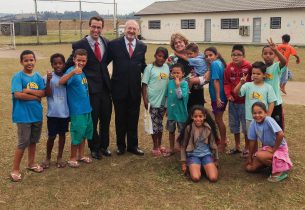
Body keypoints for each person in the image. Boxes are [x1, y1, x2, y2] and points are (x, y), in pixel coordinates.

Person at [65, 16, 112, 159]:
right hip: (89, 90)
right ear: (89, 26)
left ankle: (104, 146)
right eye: (94, 27)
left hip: (105, 88)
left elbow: (104, 62)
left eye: (99, 27)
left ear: (102, 28)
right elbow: (69, 63)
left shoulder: (106, 42)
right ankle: (94, 148)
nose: (96, 30)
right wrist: (56, 77)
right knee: (93, 119)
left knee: (106, 119)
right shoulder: (79, 44)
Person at [108, 20, 147, 156]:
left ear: (138, 31)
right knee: (120, 118)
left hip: (135, 90)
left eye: (134, 29)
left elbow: (142, 65)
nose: (131, 31)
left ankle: (133, 146)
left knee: (133, 118)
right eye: (129, 28)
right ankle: (120, 146)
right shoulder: (113, 44)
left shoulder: (142, 46)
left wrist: (154, 72)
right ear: (125, 30)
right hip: (118, 88)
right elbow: (104, 63)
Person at [10, 50, 45, 181]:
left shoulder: (38, 77)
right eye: (26, 60)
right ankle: (15, 169)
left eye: (31, 60)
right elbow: (18, 94)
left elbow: (42, 93)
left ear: (35, 61)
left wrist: (29, 91)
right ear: (21, 62)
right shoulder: (18, 77)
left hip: (36, 115)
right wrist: (35, 97)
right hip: (23, 116)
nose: (29, 62)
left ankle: (31, 163)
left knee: (33, 141)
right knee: (23, 142)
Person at [59, 49, 93, 168]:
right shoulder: (72, 71)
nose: (81, 63)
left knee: (84, 134)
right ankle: (72, 158)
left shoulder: (82, 72)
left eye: (83, 60)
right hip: (77, 111)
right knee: (77, 134)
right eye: (79, 60)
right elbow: (61, 82)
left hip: (86, 109)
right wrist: (73, 72)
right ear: (74, 59)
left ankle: (81, 155)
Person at [245, 102, 293, 182]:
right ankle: (271, 166)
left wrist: (274, 149)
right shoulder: (253, 123)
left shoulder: (268, 120)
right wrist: (249, 156)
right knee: (249, 168)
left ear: (265, 112)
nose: (257, 115)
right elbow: (252, 140)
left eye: (260, 112)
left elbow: (280, 134)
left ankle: (281, 170)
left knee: (259, 155)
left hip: (279, 149)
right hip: (268, 149)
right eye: (254, 113)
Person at [41, 53, 69, 169]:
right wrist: (48, 81)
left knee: (62, 135)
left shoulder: (67, 77)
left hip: (65, 113)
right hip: (53, 113)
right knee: (51, 136)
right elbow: (47, 94)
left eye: (60, 63)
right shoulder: (47, 77)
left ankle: (59, 157)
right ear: (52, 65)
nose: (58, 65)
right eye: (55, 63)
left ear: (64, 64)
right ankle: (48, 158)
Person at [224, 44, 252, 157]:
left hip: (245, 103)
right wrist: (228, 95)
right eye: (233, 55)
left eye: (239, 55)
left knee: (246, 127)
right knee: (234, 125)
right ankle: (237, 146)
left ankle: (247, 148)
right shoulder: (228, 67)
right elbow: (226, 83)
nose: (236, 57)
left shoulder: (249, 67)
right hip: (233, 102)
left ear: (243, 55)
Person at [142, 47, 170, 156]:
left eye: (163, 57)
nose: (161, 59)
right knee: (154, 125)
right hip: (152, 102)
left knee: (160, 124)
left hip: (163, 102)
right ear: (155, 55)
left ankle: (160, 144)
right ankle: (155, 146)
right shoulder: (149, 68)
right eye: (159, 56)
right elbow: (144, 85)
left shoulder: (167, 67)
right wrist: (145, 100)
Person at [180, 105, 219, 182]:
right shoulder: (189, 128)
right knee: (196, 178)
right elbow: (183, 146)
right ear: (192, 117)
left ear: (204, 117)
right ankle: (194, 166)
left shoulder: (208, 128)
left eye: (200, 116)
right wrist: (183, 162)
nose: (198, 119)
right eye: (195, 116)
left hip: (206, 155)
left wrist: (216, 159)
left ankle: (204, 166)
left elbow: (213, 144)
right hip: (193, 155)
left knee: (213, 178)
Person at [234, 61, 277, 131]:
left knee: (264, 138)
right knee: (251, 138)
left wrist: (268, 116)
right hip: (250, 118)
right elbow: (236, 92)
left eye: (258, 74)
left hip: (263, 118)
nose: (255, 75)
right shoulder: (247, 85)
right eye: (253, 73)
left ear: (264, 75)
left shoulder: (268, 87)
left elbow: (272, 102)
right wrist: (240, 83)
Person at [169, 33, 206, 110]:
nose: (178, 44)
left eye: (180, 42)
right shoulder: (172, 58)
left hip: (196, 92)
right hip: (180, 92)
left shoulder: (196, 55)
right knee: (183, 119)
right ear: (173, 46)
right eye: (175, 43)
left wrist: (199, 80)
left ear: (185, 42)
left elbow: (205, 72)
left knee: (197, 118)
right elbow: (170, 77)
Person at [204, 47, 227, 152]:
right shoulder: (217, 63)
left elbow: (216, 81)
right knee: (217, 118)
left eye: (210, 55)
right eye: (206, 56)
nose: (208, 58)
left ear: (216, 55)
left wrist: (218, 98)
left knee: (218, 119)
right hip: (218, 96)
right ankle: (222, 140)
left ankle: (223, 143)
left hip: (219, 97)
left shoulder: (215, 64)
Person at [262, 38, 287, 129]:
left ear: (275, 56)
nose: (268, 55)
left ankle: (280, 143)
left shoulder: (276, 66)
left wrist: (276, 50)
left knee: (278, 127)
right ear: (262, 55)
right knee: (266, 127)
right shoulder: (261, 68)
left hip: (276, 103)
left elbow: (284, 61)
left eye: (271, 53)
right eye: (265, 53)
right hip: (264, 103)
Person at [166, 63, 189, 156]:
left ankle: (183, 149)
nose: (175, 75)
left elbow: (180, 96)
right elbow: (168, 96)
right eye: (173, 72)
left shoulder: (184, 84)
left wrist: (178, 85)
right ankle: (172, 148)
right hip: (171, 112)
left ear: (183, 73)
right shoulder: (170, 83)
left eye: (178, 73)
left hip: (181, 112)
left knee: (182, 132)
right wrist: (167, 109)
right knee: (171, 131)